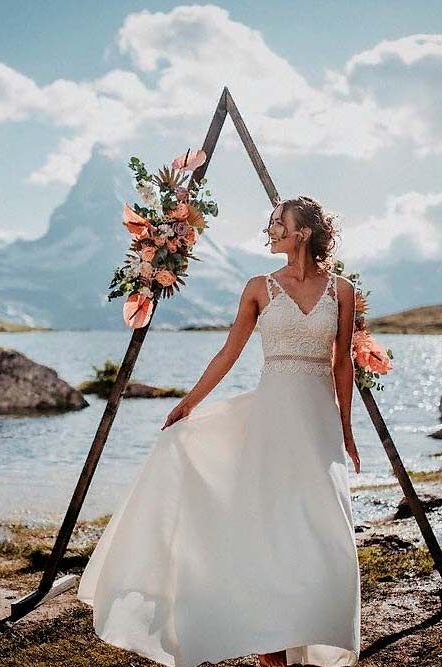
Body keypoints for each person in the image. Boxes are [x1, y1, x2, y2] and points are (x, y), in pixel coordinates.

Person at [77, 195, 362, 667]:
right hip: (271, 419)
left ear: (303, 233)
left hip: (319, 425)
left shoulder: (342, 291)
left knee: (326, 532)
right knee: (267, 533)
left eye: (278, 223)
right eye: (270, 221)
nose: (269, 229)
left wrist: (348, 430)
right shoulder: (258, 287)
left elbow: (342, 363)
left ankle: (317, 630)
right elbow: (228, 354)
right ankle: (271, 651)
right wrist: (187, 404)